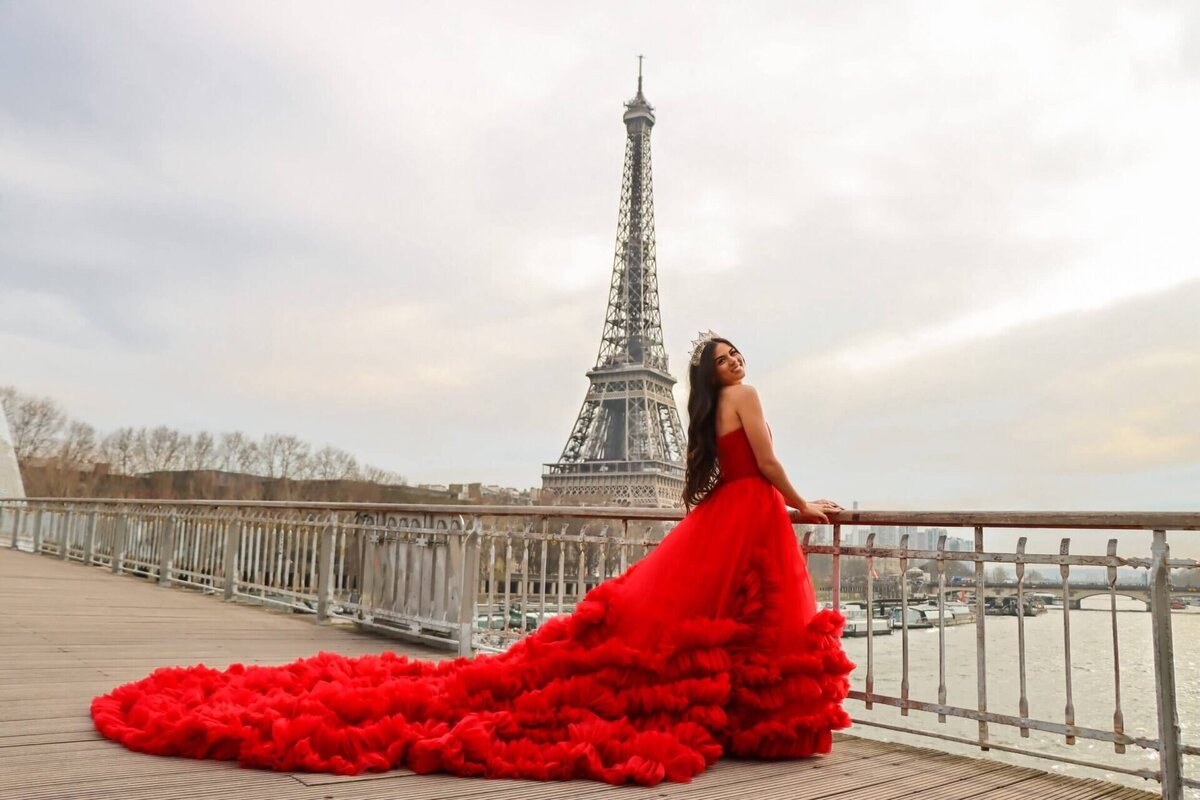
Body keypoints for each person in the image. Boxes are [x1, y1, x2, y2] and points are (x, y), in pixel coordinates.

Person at [91, 331, 854, 787]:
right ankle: (758, 726)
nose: (734, 361)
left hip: (727, 513)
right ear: (711, 371)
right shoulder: (747, 397)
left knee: (704, 619)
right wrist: (805, 504)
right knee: (756, 621)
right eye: (724, 356)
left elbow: (726, 467)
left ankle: (735, 723)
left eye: (735, 353)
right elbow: (769, 461)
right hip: (755, 511)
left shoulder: (703, 412)